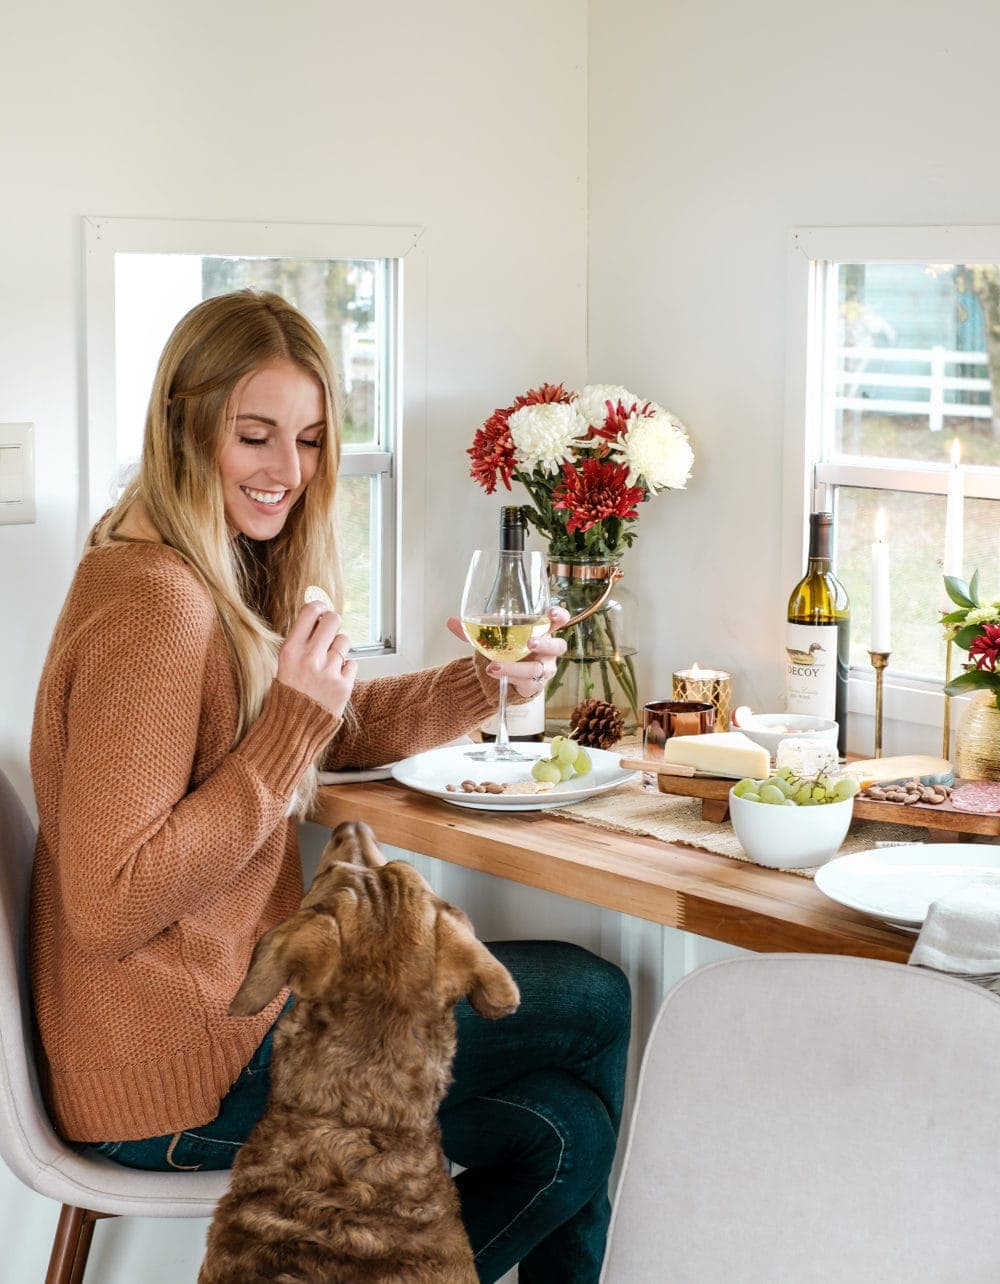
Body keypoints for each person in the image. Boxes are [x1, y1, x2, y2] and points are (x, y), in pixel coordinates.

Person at [29, 290, 631, 1283]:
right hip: (176, 1078)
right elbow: (108, 905)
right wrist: (287, 735)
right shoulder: (155, 607)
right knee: (592, 998)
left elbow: (319, 727)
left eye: (308, 441)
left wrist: (480, 679)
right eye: (254, 436)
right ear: (184, 424)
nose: (287, 473)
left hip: (205, 1037)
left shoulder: (195, 567)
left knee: (557, 1130)